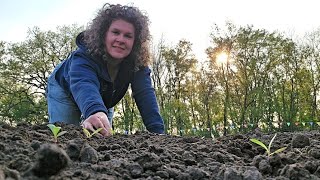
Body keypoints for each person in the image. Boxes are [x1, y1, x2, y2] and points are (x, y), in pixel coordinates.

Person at [46, 3, 164, 136]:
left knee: (103, 136)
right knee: (66, 135)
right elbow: (84, 83)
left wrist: (158, 132)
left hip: (103, 95)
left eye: (128, 36)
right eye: (115, 32)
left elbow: (145, 94)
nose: (120, 39)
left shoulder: (137, 63)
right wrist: (95, 111)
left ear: (135, 41)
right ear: (103, 35)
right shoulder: (84, 55)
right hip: (64, 89)